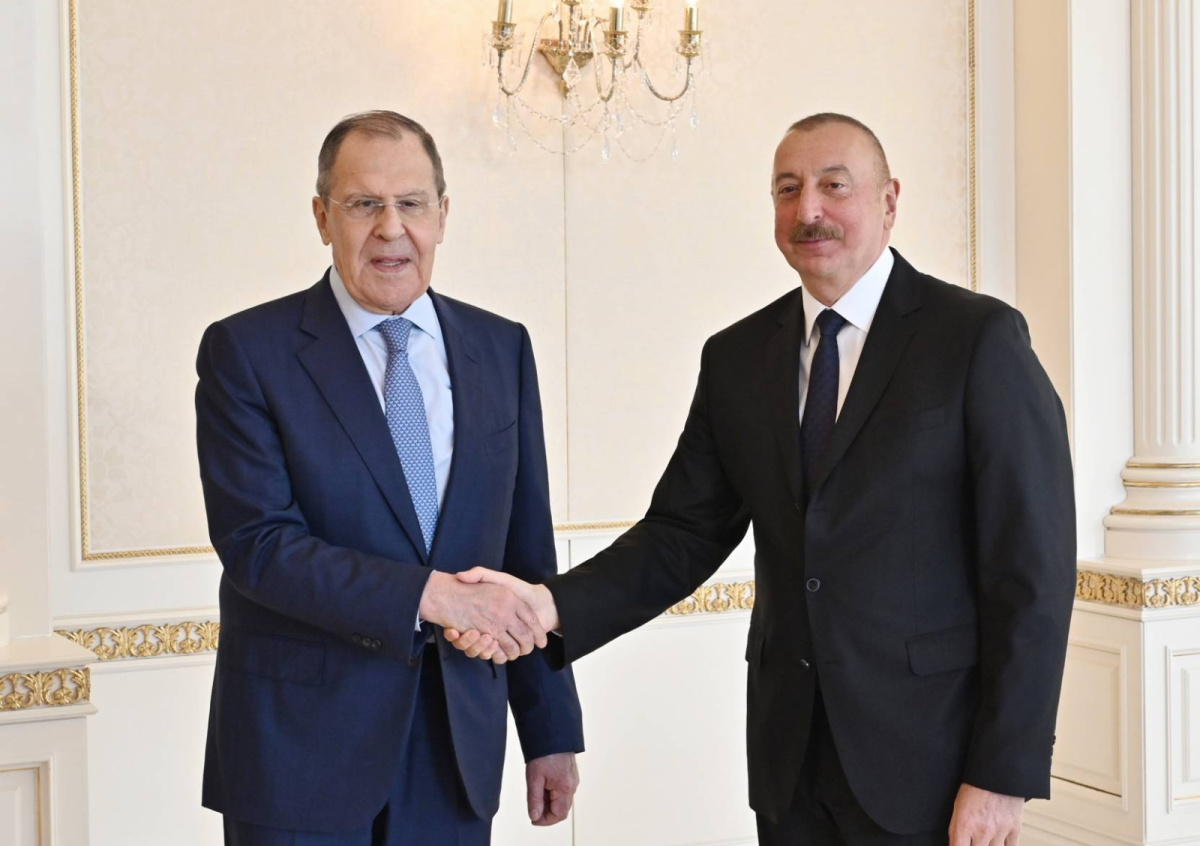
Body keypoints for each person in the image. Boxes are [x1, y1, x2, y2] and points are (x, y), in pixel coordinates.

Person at [447, 113, 1077, 846]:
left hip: (932, 762)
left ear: (889, 201)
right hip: (789, 762)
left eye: (834, 186)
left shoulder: (977, 339)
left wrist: (1001, 773)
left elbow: (1031, 571)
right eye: (788, 189)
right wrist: (547, 607)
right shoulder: (737, 357)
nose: (809, 209)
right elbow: (680, 535)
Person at [195, 110, 584, 846]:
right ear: (322, 217)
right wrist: (432, 596)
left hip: (456, 749)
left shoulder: (501, 348)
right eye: (363, 204)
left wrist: (549, 729)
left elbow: (526, 553)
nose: (390, 228)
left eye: (411, 203)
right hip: (299, 753)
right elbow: (258, 545)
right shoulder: (247, 351)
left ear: (443, 214)